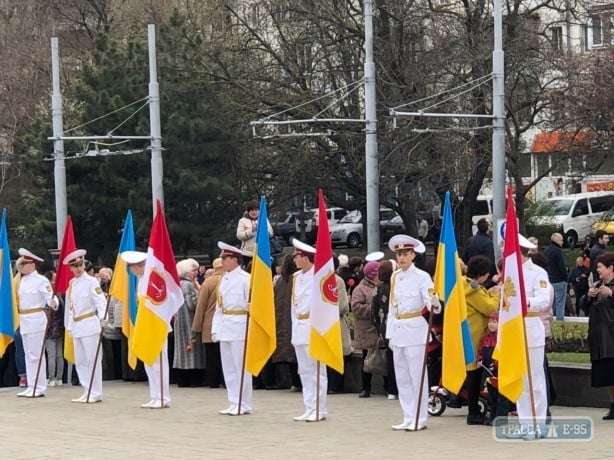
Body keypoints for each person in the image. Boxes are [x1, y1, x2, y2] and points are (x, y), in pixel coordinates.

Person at [387, 235, 441, 431]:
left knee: (417, 375)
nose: (401, 258)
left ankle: (420, 417)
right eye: (399, 254)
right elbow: (392, 307)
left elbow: (431, 304)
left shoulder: (421, 277)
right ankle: (408, 415)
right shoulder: (394, 276)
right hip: (399, 329)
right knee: (402, 375)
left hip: (415, 329)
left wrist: (435, 304)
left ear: (413, 255)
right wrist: (390, 335)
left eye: (405, 254)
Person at [121, 250, 171, 408]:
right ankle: (155, 395)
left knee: (158, 363)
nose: (131, 270)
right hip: (146, 326)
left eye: (132, 267)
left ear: (139, 265)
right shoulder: (141, 279)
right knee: (149, 362)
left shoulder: (153, 279)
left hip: (157, 325)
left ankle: (163, 397)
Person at [514, 235, 551, 439]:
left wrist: (525, 301)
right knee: (520, 379)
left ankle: (539, 423)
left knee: (535, 379)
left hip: (531, 326)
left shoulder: (538, 272)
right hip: (514, 329)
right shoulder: (510, 274)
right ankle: (525, 423)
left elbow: (544, 300)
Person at [211, 242, 252, 415]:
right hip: (225, 325)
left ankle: (244, 403)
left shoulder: (246, 279)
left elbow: (251, 305)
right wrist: (215, 329)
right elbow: (219, 306)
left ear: (235, 259)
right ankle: (233, 401)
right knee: (228, 367)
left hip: (240, 325)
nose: (222, 262)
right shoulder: (223, 279)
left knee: (241, 367)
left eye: (225, 258)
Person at [290, 239, 327, 422]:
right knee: (305, 371)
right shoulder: (296, 277)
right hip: (300, 327)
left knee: (317, 371)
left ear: (305, 258)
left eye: (296, 256)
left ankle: (320, 408)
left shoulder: (319, 275)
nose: (294, 260)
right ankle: (309, 406)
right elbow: (293, 307)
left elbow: (326, 306)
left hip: (314, 327)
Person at [63, 249, 106, 403]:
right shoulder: (72, 284)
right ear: (70, 268)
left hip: (89, 323)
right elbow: (70, 307)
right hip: (77, 325)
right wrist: (68, 326)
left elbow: (100, 301)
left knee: (92, 359)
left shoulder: (91, 282)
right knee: (80, 360)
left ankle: (96, 392)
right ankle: (86, 389)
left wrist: (103, 317)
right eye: (75, 266)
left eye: (80, 264)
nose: (79, 268)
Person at [15, 249, 58, 398]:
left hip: (36, 319)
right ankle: (31, 385)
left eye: (24, 263)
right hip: (25, 320)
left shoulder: (41, 280)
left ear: (32, 264)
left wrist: (53, 302)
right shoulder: (23, 280)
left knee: (36, 355)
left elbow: (51, 298)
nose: (21, 266)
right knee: (28, 355)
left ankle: (39, 387)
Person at [463, 255, 500, 425]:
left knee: (473, 373)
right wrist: (497, 295)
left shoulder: (465, 284)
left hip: (469, 333)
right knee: (475, 374)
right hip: (475, 335)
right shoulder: (474, 289)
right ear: (481, 274)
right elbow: (489, 307)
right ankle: (473, 411)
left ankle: (473, 409)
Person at [583, 252, 614, 420]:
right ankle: (612, 405)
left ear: (611, 268)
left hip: (611, 336)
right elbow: (585, 306)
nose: (597, 270)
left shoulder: (610, 288)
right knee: (608, 376)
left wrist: (611, 294)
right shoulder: (596, 285)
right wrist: (588, 297)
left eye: (600, 267)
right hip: (600, 338)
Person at [192, 257, 224, 389]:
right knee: (225, 354)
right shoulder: (227, 280)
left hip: (209, 325)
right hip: (225, 323)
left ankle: (212, 381)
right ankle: (225, 380)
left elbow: (201, 307)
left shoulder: (208, 282)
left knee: (211, 355)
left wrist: (196, 329)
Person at [174, 259, 206, 387]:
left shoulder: (178, 284)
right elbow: (192, 304)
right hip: (189, 320)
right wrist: (200, 293)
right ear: (187, 272)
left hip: (179, 320)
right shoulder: (188, 285)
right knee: (192, 348)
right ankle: (194, 379)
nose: (197, 273)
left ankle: (182, 379)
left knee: (181, 349)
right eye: (194, 270)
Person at [271, 254, 301, 392]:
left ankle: (294, 382)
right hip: (293, 320)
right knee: (297, 353)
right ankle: (299, 382)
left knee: (289, 353)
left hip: (281, 320)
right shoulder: (297, 280)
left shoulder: (280, 281)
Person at [351, 260, 381, 398]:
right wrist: (373, 309)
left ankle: (388, 387)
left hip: (379, 329)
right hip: (366, 330)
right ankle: (365, 387)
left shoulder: (381, 286)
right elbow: (356, 308)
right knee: (366, 359)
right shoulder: (360, 289)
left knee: (383, 357)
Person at [478, 312, 512, 425]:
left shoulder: (502, 338)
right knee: (491, 395)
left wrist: (497, 362)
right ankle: (492, 416)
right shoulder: (485, 339)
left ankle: (501, 417)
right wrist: (479, 359)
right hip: (488, 371)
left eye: (494, 322)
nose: (491, 324)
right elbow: (481, 351)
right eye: (490, 322)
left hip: (499, 370)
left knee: (501, 395)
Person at [371, 260, 398, 400]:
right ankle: (400, 388)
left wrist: (377, 326)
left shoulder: (378, 287)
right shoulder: (397, 285)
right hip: (398, 325)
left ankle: (392, 390)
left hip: (384, 327)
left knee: (391, 358)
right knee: (401, 359)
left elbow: (373, 310)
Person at [327, 255, 351, 394]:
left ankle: (332, 385)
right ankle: (335, 386)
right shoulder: (338, 281)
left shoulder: (317, 279)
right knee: (338, 353)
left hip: (322, 324)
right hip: (335, 323)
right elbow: (342, 306)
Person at [44, 270, 64, 387]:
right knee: (59, 354)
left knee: (51, 355)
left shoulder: (49, 294)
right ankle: (59, 378)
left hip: (50, 329)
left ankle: (51, 378)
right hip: (59, 328)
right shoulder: (60, 295)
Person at [542, 233, 568, 321]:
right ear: (556, 240)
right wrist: (566, 278)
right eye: (561, 240)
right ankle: (560, 321)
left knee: (550, 304)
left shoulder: (546, 250)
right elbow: (561, 266)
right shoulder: (558, 251)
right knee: (560, 303)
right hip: (559, 281)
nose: (563, 242)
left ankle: (549, 320)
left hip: (549, 281)